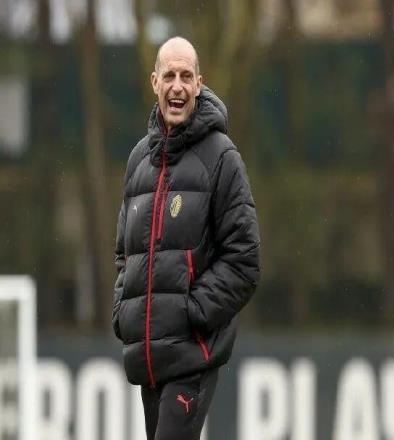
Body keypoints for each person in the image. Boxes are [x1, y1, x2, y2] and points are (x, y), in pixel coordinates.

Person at [111, 36, 260, 439]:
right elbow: (124, 252)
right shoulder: (138, 160)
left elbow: (244, 260)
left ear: (198, 84)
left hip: (192, 356)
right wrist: (125, 313)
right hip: (149, 357)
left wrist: (192, 312)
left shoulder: (222, 157)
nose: (177, 86)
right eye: (169, 76)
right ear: (154, 82)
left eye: (186, 76)